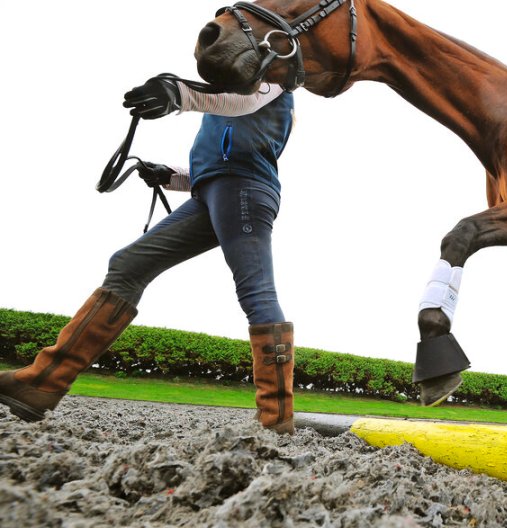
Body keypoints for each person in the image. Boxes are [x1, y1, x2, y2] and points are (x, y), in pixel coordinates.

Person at [0, 76, 297, 434]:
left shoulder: (273, 81)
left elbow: (241, 107)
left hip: (243, 190)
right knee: (128, 264)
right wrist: (169, 174)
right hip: (213, 192)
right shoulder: (234, 91)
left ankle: (276, 418)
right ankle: (42, 383)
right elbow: (218, 160)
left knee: (257, 292)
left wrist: (177, 94)